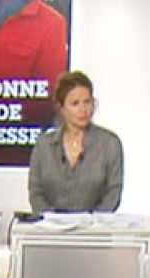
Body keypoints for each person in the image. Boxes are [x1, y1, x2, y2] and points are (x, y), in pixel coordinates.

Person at [28, 71, 123, 213]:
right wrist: (52, 220)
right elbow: (36, 192)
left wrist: (91, 221)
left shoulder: (110, 144)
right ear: (61, 108)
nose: (83, 110)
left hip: (95, 225)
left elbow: (113, 192)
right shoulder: (44, 145)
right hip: (50, 225)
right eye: (75, 104)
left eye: (87, 102)